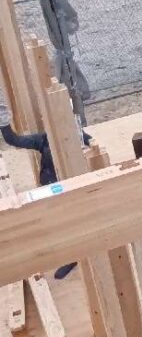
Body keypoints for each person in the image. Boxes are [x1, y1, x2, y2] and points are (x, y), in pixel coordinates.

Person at [0, 99, 87, 279]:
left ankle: (72, 257)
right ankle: (67, 254)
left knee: (69, 224)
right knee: (55, 224)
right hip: (50, 189)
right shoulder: (45, 139)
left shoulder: (79, 137)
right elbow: (13, 139)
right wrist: (3, 120)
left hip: (69, 191)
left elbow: (93, 152)